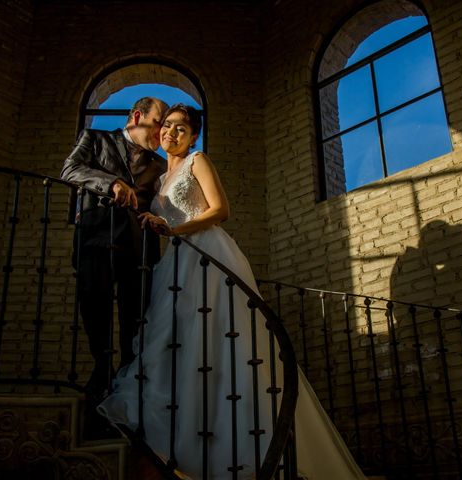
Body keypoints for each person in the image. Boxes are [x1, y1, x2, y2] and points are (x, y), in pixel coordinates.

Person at [98, 104, 369, 479]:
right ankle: (194, 436)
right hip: (175, 262)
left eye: (181, 128)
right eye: (167, 127)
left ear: (193, 136)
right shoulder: (160, 178)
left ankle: (255, 447)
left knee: (225, 341)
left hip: (206, 252)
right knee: (185, 345)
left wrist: (173, 229)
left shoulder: (197, 161)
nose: (171, 133)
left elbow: (220, 210)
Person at [60, 97, 168, 438]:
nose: (162, 131)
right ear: (136, 117)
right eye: (158, 122)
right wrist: (111, 184)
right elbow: (70, 170)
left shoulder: (161, 165)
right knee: (95, 318)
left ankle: (125, 400)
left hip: (139, 253)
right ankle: (100, 383)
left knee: (135, 331)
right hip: (95, 243)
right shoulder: (95, 140)